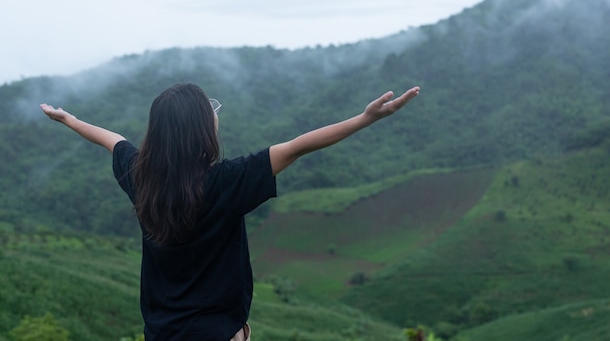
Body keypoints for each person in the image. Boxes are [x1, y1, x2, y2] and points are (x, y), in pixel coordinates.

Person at [40, 83, 420, 341]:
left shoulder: (142, 179)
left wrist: (68, 120)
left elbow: (111, 140)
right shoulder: (226, 182)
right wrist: (366, 118)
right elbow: (297, 147)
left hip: (161, 332)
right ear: (200, 130)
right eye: (208, 111)